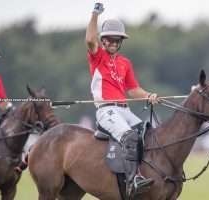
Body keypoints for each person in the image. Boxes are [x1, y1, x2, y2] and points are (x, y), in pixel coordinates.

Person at [85, 3, 159, 194]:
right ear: (104, 41)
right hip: (106, 110)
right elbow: (90, 39)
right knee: (130, 137)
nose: (113, 43)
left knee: (147, 134)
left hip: (125, 110)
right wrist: (95, 14)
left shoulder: (125, 63)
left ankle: (146, 173)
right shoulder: (97, 56)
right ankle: (133, 181)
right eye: (109, 40)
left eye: (116, 40)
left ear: (120, 42)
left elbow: (133, 90)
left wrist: (148, 95)